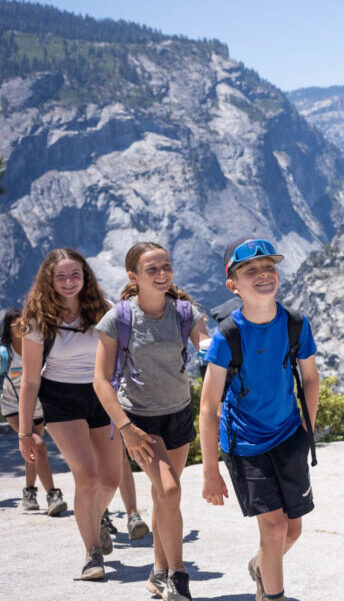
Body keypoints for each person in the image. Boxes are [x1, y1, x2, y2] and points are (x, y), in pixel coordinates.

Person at [199, 238, 319, 601]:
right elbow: (208, 406)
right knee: (274, 525)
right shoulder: (227, 336)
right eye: (251, 271)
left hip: (288, 437)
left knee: (292, 531)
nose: (264, 275)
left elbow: (311, 377)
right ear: (233, 286)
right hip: (246, 445)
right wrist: (210, 471)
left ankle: (261, 567)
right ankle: (271, 595)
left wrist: (306, 424)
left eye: (269, 268)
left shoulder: (296, 324)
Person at [94, 242, 209, 601]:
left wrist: (216, 346)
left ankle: (157, 573)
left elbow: (205, 342)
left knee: (164, 498)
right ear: (134, 277)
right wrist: (126, 429)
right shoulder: (118, 319)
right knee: (171, 490)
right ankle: (178, 575)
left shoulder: (185, 312)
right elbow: (99, 379)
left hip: (178, 412)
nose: (162, 275)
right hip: (141, 422)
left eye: (166, 267)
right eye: (152, 270)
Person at [16, 249, 120, 581]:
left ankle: (95, 516)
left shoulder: (104, 312)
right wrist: (25, 431)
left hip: (100, 393)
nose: (68, 282)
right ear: (49, 280)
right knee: (87, 477)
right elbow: (30, 380)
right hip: (60, 399)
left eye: (75, 274)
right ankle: (92, 554)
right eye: (60, 276)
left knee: (111, 479)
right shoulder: (37, 320)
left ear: (86, 276)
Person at [2, 308, 66, 515]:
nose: (22, 327)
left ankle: (29, 492)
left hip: (37, 408)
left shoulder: (38, 346)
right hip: (13, 409)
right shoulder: (5, 354)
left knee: (31, 450)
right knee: (37, 445)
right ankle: (53, 495)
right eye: (17, 324)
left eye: (25, 323)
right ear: (8, 329)